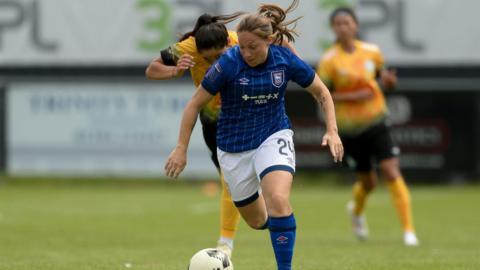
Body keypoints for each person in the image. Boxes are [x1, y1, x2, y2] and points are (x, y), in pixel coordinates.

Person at [165, 1, 344, 269]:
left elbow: (322, 93)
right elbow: (194, 104)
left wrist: (332, 129)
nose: (246, 53)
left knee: (279, 200)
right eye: (242, 46)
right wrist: (181, 148)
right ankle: (282, 225)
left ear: (269, 40)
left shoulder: (284, 59)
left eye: (253, 47)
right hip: (233, 147)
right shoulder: (228, 63)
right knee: (258, 221)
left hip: (274, 135)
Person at [316, 7, 419, 246]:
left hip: (376, 121)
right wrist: (351, 96)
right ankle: (357, 211)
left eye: (347, 22)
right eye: (338, 23)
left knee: (392, 171)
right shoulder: (329, 60)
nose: (343, 27)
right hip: (350, 129)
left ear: (355, 25)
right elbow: (322, 95)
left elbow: (383, 81)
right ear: (333, 28)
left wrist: (390, 83)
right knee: (368, 183)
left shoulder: (372, 52)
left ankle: (408, 231)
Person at [145, 12, 245, 257]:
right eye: (207, 59)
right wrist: (174, 71)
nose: (214, 65)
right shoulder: (187, 47)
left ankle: (226, 243)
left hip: (246, 116)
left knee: (236, 181)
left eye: (218, 57)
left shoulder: (240, 42)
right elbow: (151, 69)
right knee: (230, 180)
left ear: (227, 45)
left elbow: (277, 44)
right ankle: (228, 240)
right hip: (214, 121)